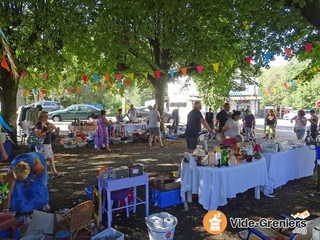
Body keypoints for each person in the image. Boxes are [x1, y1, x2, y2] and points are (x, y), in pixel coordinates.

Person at [34, 111, 63, 178]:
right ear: (41, 117)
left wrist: (48, 123)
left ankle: (55, 172)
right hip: (42, 145)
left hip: (47, 144)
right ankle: (42, 174)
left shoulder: (46, 123)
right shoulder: (39, 125)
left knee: (51, 158)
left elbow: (54, 127)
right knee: (42, 160)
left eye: (47, 116)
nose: (47, 117)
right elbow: (38, 134)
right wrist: (47, 131)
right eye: (45, 116)